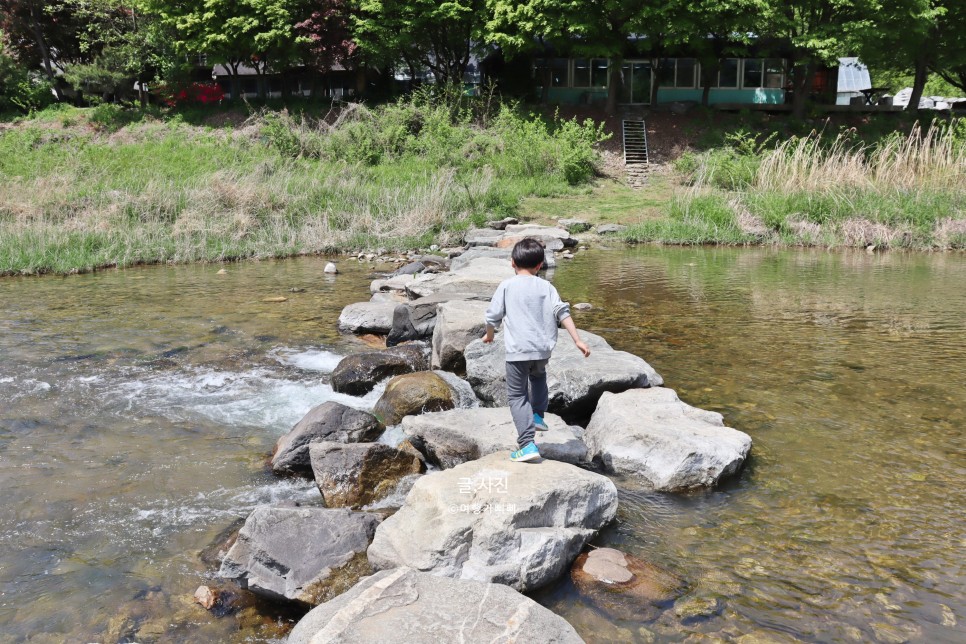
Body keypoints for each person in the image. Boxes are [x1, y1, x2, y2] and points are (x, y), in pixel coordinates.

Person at [483, 238, 591, 462]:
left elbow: (492, 316)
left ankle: (527, 444)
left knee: (516, 396)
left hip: (518, 352)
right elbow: (562, 312)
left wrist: (490, 334)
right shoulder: (547, 286)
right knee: (539, 377)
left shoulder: (506, 286)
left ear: (512, 263)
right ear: (540, 265)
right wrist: (578, 340)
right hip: (542, 350)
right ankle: (538, 415)